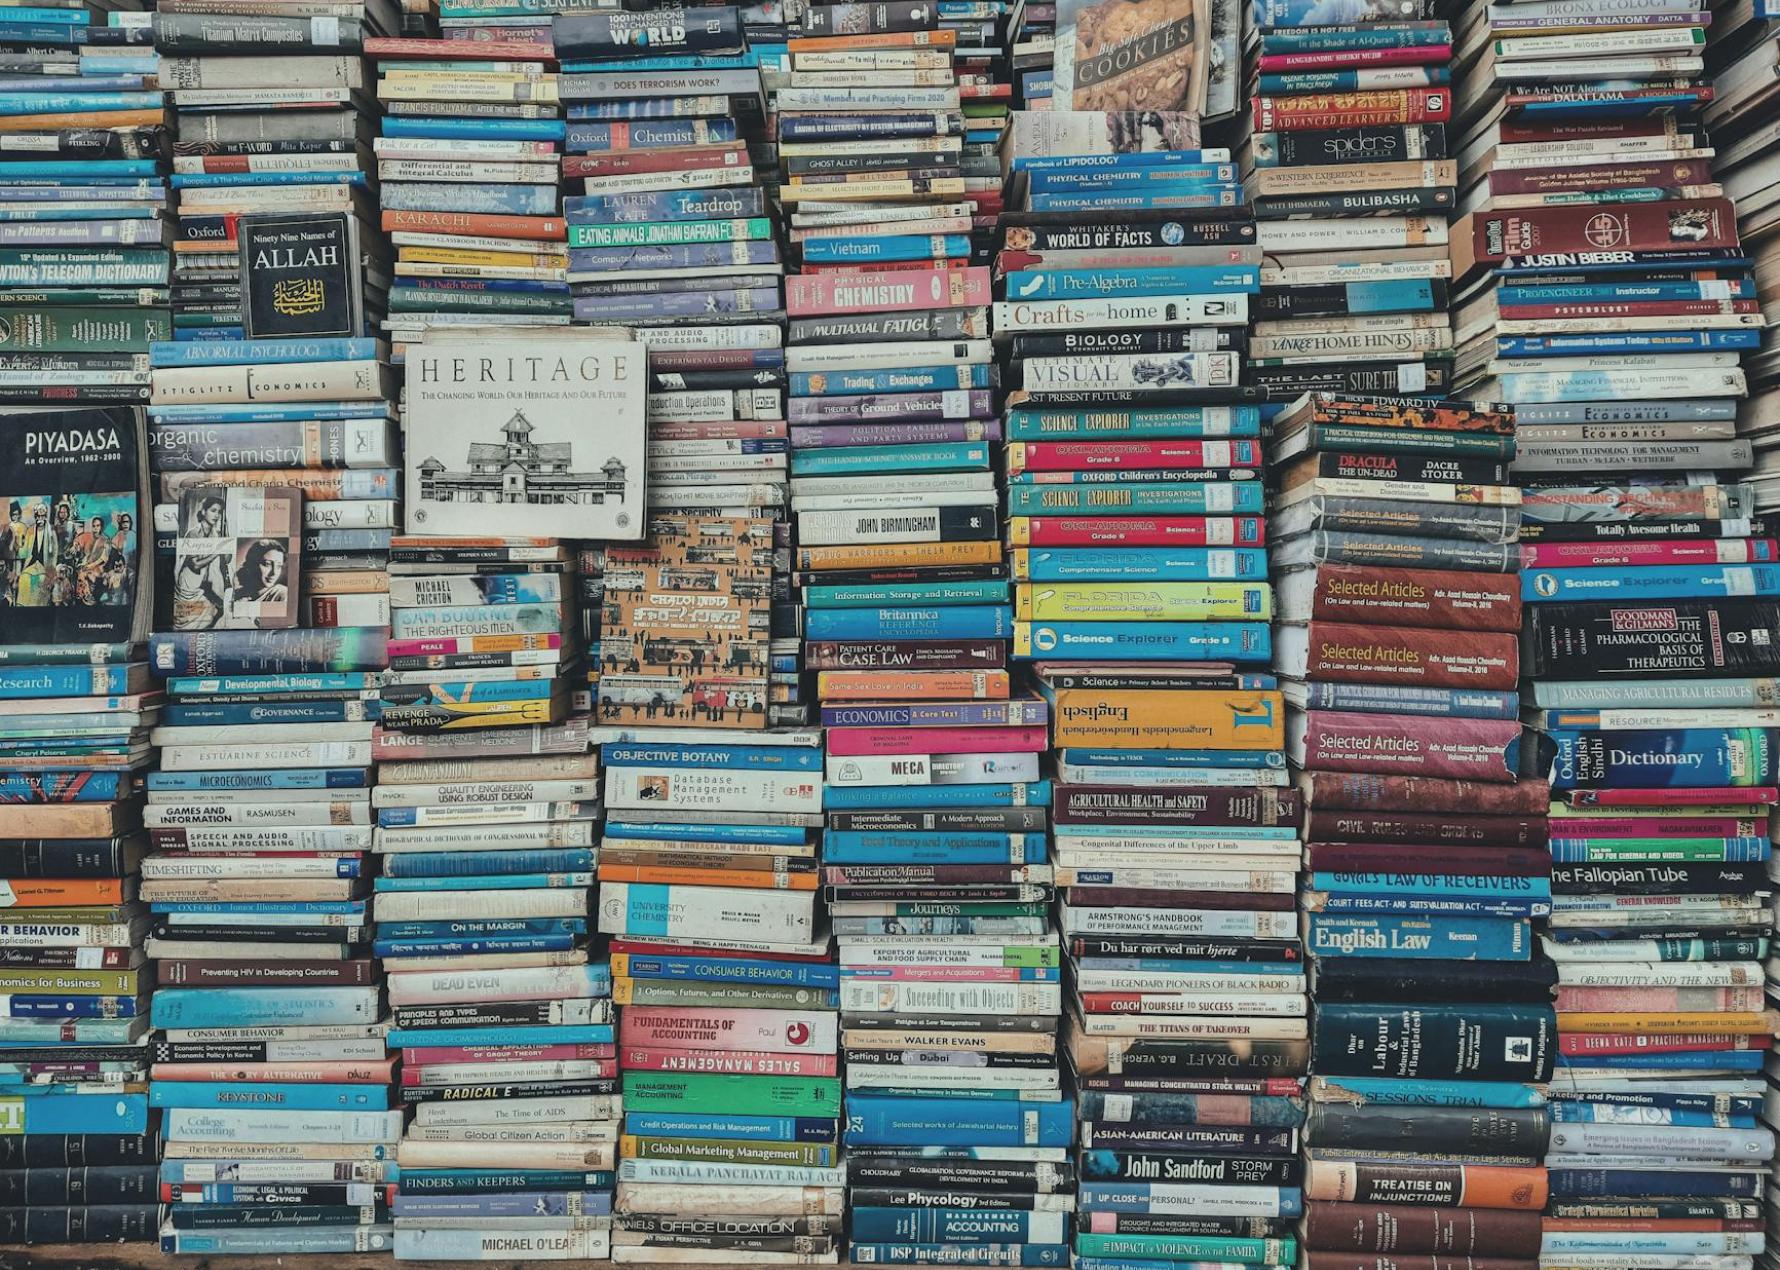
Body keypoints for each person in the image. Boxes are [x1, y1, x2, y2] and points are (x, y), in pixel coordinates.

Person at [233, 539, 289, 613]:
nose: (274, 573)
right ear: (252, 564)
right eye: (267, 564)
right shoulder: (236, 594)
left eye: (279, 566)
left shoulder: (283, 594)